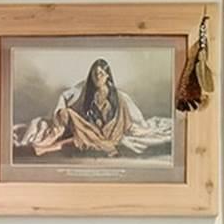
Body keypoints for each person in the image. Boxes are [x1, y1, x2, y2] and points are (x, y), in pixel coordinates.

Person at [16, 55, 149, 157]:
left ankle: (44, 149)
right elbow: (84, 112)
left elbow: (121, 121)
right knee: (74, 124)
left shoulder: (118, 97)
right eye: (95, 74)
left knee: (82, 139)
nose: (98, 77)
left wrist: (106, 127)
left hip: (109, 133)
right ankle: (45, 146)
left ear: (107, 76)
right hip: (91, 129)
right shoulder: (86, 91)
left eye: (101, 74)